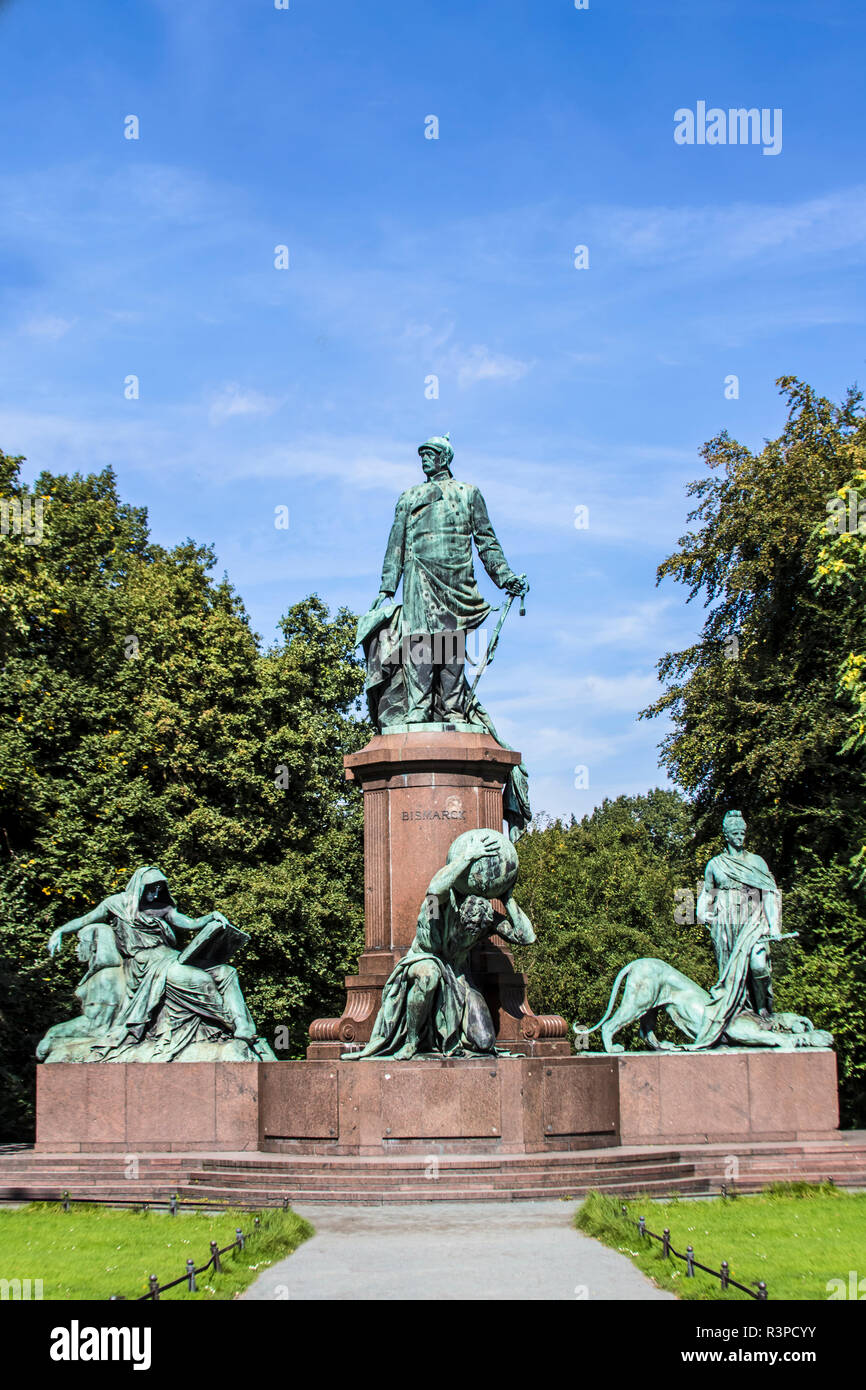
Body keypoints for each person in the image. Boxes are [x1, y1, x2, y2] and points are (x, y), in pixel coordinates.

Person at [364, 434, 529, 725]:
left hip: (455, 579)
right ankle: (419, 707)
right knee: (420, 642)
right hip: (419, 576)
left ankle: (453, 709)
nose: (425, 460)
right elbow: (396, 545)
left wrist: (505, 578)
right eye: (422, 455)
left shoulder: (468, 493)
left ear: (445, 458)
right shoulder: (409, 496)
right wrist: (387, 588)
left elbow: (486, 542)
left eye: (430, 454)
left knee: (452, 645)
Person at [38, 866, 274, 1062]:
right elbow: (86, 919)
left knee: (226, 972)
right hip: (146, 966)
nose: (156, 892)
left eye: (160, 887)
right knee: (199, 980)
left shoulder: (163, 908)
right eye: (151, 888)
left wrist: (211, 918)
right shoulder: (116, 904)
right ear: (139, 886)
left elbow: (189, 923)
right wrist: (59, 931)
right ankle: (228, 1024)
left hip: (170, 957)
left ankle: (244, 1028)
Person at [345, 830, 535, 1059]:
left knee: (484, 1042)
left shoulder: (483, 917)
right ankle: (412, 1042)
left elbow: (525, 937)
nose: (470, 935)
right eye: (466, 930)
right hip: (423, 959)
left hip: (458, 975)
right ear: (460, 919)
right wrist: (468, 857)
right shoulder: (440, 906)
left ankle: (449, 1035)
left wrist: (507, 897)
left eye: (475, 933)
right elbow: (434, 890)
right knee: (429, 975)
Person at [696, 810, 783, 1017]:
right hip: (725, 924)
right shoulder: (715, 864)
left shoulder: (757, 862)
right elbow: (707, 892)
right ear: (726, 835)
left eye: (742, 834)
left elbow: (769, 894)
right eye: (735, 834)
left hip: (753, 922)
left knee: (758, 965)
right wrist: (700, 912)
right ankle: (735, 1014)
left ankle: (763, 1008)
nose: (740, 838)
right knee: (730, 974)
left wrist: (774, 925)